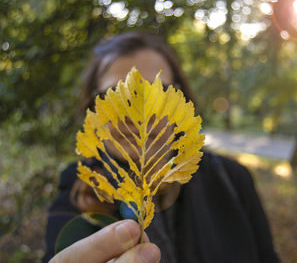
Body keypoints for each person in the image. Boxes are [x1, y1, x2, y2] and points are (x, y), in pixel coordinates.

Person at [43, 32, 279, 263]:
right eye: (115, 96)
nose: (137, 116)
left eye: (157, 94)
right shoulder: (75, 186)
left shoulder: (232, 179)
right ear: (94, 111)